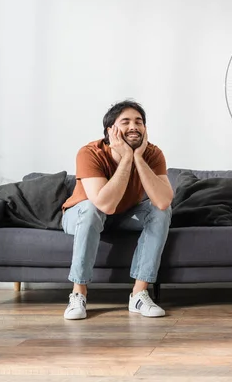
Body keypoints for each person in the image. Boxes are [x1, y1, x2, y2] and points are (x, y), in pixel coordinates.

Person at [60, 100, 173, 320]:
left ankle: (139, 294)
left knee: (161, 212)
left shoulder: (152, 153)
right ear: (110, 130)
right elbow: (105, 204)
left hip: (122, 215)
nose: (134, 126)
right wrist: (126, 159)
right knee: (93, 208)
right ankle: (78, 294)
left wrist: (137, 157)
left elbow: (162, 202)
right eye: (126, 122)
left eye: (139, 122)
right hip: (81, 215)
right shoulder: (89, 153)